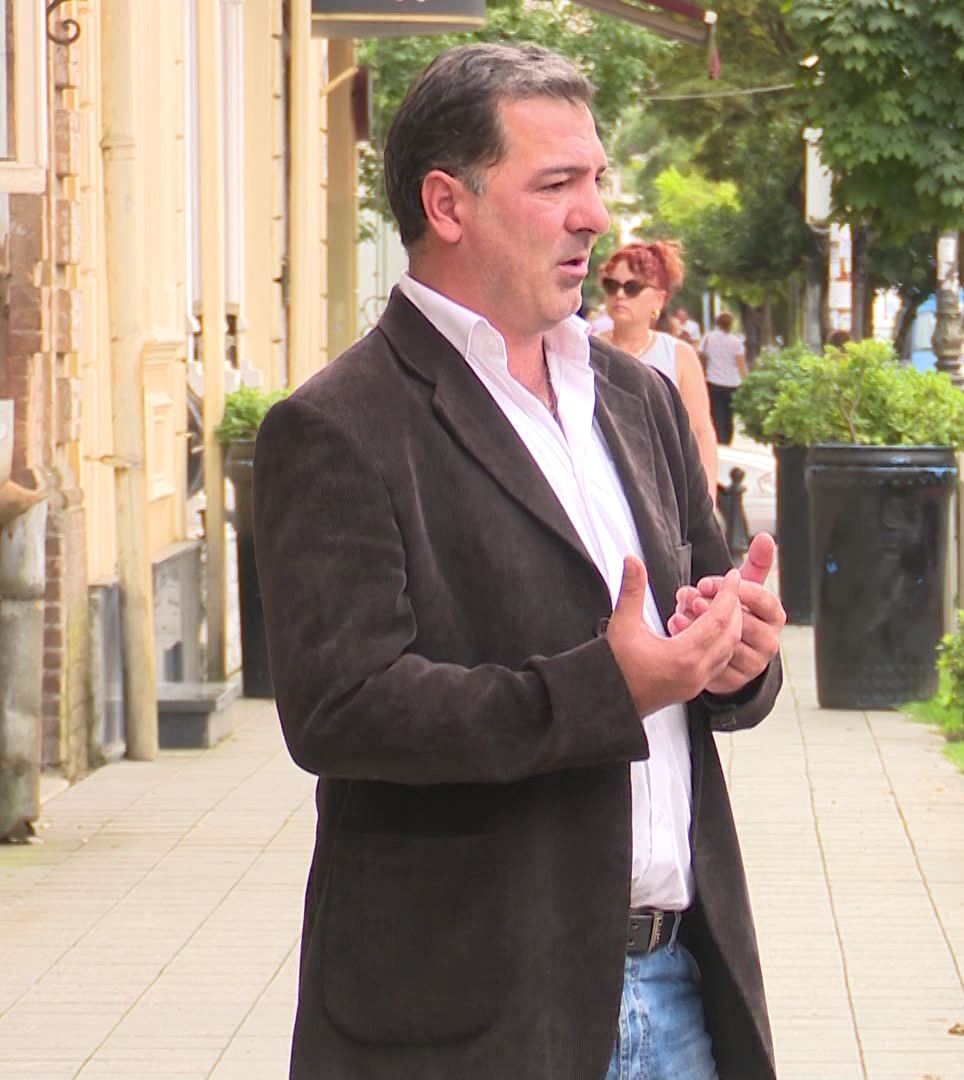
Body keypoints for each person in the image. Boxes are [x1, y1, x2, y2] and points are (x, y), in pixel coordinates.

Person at [250, 43, 786, 1080]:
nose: (596, 216)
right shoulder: (337, 427)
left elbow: (702, 636)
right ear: (447, 204)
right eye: (556, 185)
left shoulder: (635, 397)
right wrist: (606, 688)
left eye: (597, 180)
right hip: (473, 1017)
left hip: (682, 991)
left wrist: (737, 654)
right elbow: (339, 710)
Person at [598, 240, 721, 493]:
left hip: (665, 491)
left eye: (632, 288)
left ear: (659, 299)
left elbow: (701, 432)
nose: (619, 294)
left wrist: (708, 499)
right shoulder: (584, 349)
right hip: (602, 491)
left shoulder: (679, 356)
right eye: (611, 285)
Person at [698, 312, 748, 445]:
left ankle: (717, 438)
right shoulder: (736, 342)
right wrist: (746, 380)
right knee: (728, 414)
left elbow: (700, 354)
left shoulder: (708, 338)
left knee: (716, 412)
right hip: (732, 382)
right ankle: (727, 439)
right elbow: (741, 364)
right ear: (730, 325)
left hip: (713, 380)